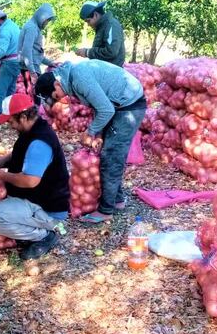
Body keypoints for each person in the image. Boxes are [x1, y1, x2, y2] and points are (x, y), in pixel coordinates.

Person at [34, 59, 146, 223]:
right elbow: (98, 105)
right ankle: (117, 199)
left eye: (55, 96)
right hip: (117, 104)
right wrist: (98, 134)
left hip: (129, 105)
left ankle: (106, 210)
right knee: (107, 152)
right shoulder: (71, 78)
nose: (58, 99)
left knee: (111, 156)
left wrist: (90, 131)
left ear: (57, 85)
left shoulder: (79, 78)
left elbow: (106, 109)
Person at [0, 93, 71, 260]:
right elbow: (19, 153)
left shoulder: (39, 142)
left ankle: (44, 235)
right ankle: (30, 224)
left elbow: (30, 181)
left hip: (47, 209)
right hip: (37, 200)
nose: (9, 124)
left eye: (10, 121)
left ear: (22, 117)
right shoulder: (32, 130)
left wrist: (1, 175)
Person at [18, 3, 57, 95]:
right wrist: (32, 72)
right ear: (41, 17)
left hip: (32, 68)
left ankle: (34, 109)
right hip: (30, 69)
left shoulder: (35, 27)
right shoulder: (31, 28)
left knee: (35, 96)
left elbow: (37, 52)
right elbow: (26, 51)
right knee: (34, 96)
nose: (47, 23)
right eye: (47, 21)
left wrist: (50, 62)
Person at [75, 1, 126, 67]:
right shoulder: (102, 26)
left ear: (96, 15)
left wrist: (87, 52)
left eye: (88, 21)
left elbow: (111, 52)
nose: (88, 24)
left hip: (111, 71)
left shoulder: (111, 25)